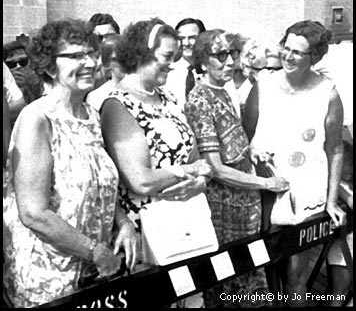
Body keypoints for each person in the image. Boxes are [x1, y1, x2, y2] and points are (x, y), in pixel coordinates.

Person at [2, 18, 132, 308]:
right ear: (49, 66)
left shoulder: (92, 116)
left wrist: (123, 223)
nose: (89, 62)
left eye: (91, 54)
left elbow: (101, 183)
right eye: (75, 56)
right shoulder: (38, 119)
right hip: (47, 276)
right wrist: (94, 250)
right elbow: (33, 213)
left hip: (92, 272)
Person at [100, 17, 213, 308]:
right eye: (166, 56)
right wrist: (187, 172)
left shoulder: (170, 98)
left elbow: (197, 160)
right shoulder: (118, 105)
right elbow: (139, 180)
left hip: (186, 224)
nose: (172, 63)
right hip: (148, 232)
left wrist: (200, 181)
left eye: (174, 57)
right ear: (141, 54)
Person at [184, 28, 290, 308]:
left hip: (246, 206)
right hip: (224, 207)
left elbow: (231, 141)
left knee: (251, 279)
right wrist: (267, 184)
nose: (229, 61)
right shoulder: (199, 99)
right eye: (220, 55)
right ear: (203, 61)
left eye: (232, 53)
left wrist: (251, 149)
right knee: (228, 286)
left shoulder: (226, 90)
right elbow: (214, 167)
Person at [244, 20, 347, 306]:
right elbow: (245, 138)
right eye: (285, 48)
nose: (287, 57)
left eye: (297, 53)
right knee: (264, 276)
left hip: (307, 197)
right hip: (265, 194)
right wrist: (255, 155)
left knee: (295, 278)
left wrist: (331, 201)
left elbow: (335, 149)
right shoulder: (263, 86)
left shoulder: (328, 92)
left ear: (314, 56)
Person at [326, 140, 353, 307]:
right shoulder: (336, 186)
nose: (351, 168)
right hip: (344, 248)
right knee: (339, 293)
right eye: (348, 163)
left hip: (348, 244)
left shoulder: (348, 184)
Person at [164, 18, 206, 111]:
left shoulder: (216, 72)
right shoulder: (167, 73)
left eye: (192, 38)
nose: (186, 43)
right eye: (182, 38)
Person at [86, 34, 125, 112]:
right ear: (107, 63)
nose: (125, 63)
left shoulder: (143, 92)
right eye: (118, 59)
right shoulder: (96, 97)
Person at [3, 35, 44, 106]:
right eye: (11, 64)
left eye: (23, 62)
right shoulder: (6, 88)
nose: (18, 67)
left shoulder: (42, 85)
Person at [88, 13, 121, 90]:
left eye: (110, 36)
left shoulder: (128, 62)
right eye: (99, 38)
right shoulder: (89, 64)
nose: (105, 41)